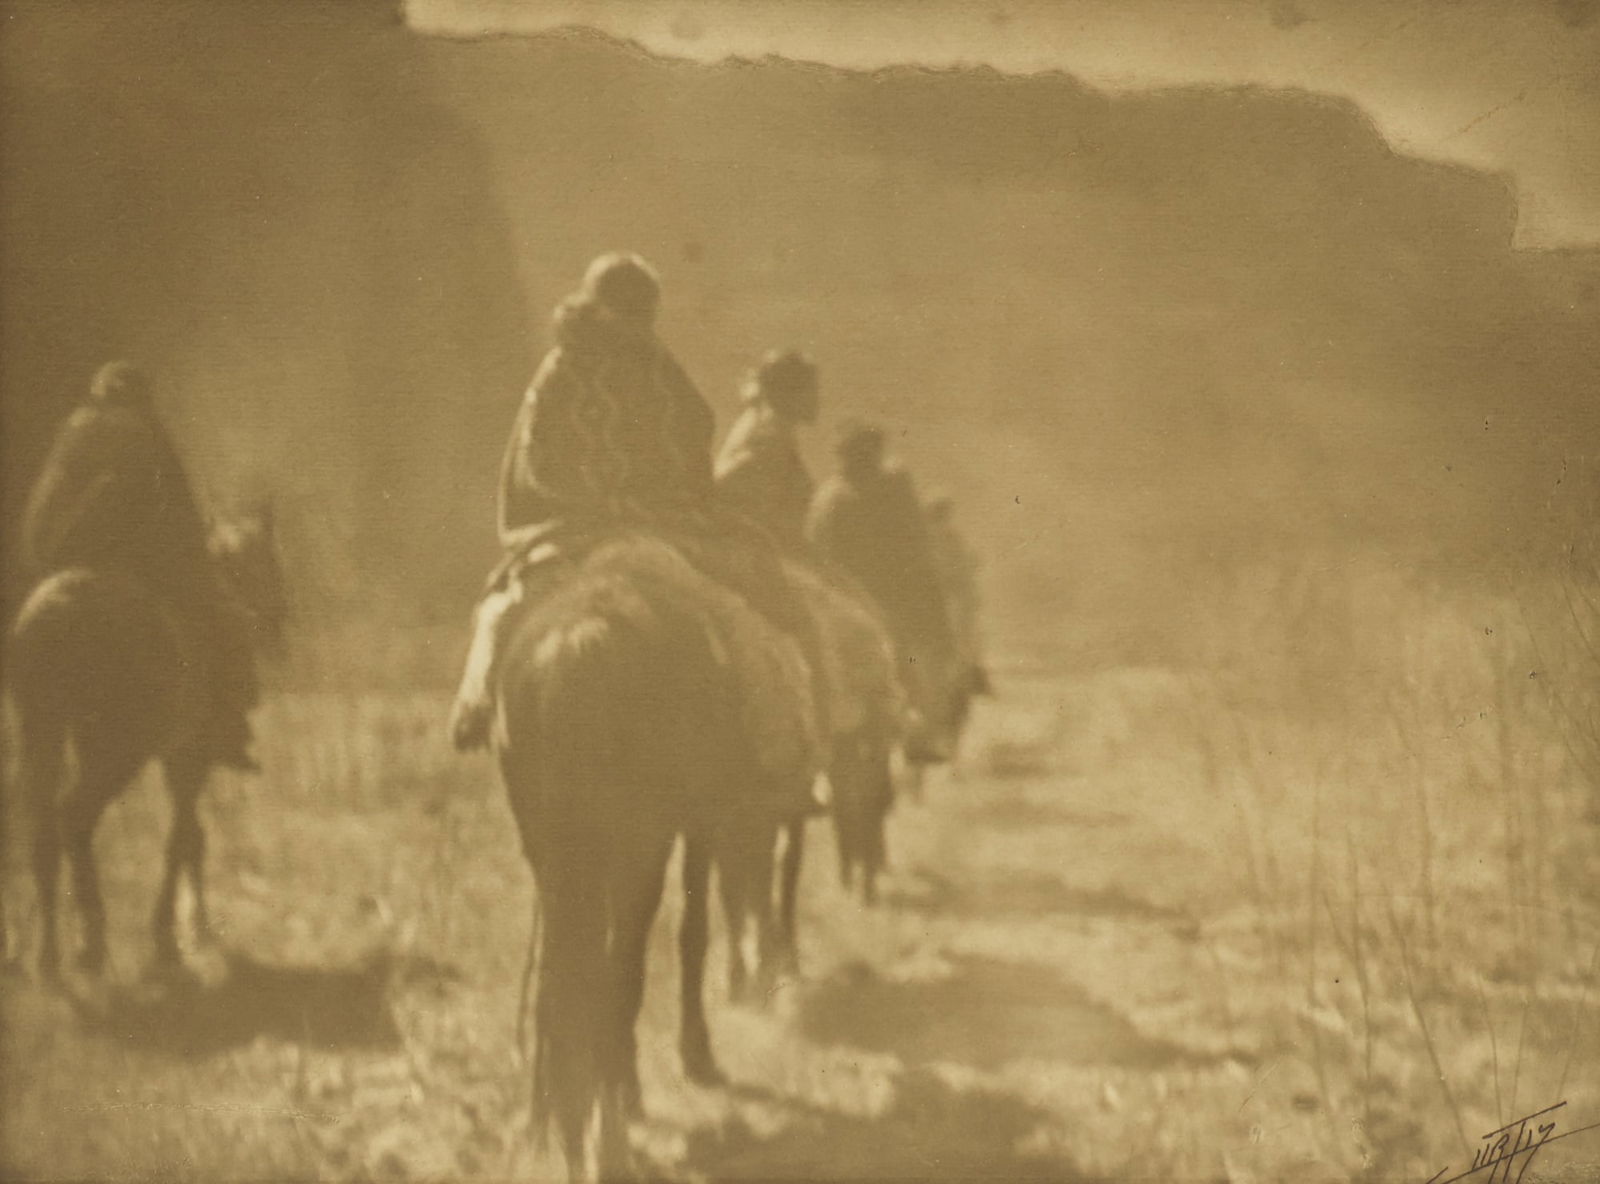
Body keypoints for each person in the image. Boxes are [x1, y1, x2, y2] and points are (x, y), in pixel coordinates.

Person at [449, 254, 831, 765]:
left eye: (641, 314)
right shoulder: (568, 369)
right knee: (504, 611)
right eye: (626, 313)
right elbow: (544, 459)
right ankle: (475, 700)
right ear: (598, 307)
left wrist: (656, 497)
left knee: (507, 609)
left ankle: (785, 749)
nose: (635, 325)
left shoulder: (648, 361)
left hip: (648, 520)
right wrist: (619, 501)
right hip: (580, 523)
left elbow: (690, 433)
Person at [19, 361, 259, 770]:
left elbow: (44, 506)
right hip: (143, 564)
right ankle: (226, 728)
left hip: (60, 562)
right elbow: (175, 510)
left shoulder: (75, 431)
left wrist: (43, 558)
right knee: (228, 622)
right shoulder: (146, 432)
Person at [807, 422, 956, 755]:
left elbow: (914, 549)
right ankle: (918, 728)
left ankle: (919, 724)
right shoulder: (851, 496)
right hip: (860, 603)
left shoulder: (838, 496)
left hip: (858, 601)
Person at [714, 350, 820, 552]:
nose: (817, 398)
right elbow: (724, 485)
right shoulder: (770, 437)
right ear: (791, 393)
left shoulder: (769, 424)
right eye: (811, 389)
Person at [923, 494, 991, 698]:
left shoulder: (943, 537)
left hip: (951, 594)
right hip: (947, 594)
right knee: (961, 637)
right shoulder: (942, 537)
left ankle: (964, 678)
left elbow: (967, 562)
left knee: (962, 636)